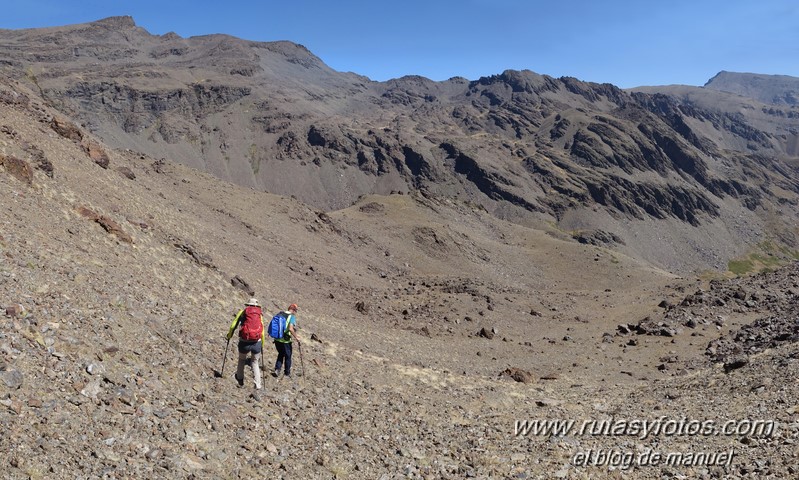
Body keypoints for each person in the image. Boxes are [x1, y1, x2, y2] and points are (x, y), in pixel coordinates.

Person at [226, 298, 265, 389]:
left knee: (242, 359)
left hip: (244, 341)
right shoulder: (259, 314)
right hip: (256, 342)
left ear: (248, 304)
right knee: (255, 362)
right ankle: (258, 384)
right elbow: (262, 331)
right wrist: (262, 344)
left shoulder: (243, 312)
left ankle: (240, 380)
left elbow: (233, 325)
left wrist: (229, 335)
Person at [273, 303, 299, 378]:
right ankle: (287, 373)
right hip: (286, 340)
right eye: (296, 311)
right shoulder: (292, 317)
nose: (295, 313)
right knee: (288, 356)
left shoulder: (280, 314)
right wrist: (296, 337)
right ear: (293, 310)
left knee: (281, 354)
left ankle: (277, 370)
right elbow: (290, 329)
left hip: (277, 339)